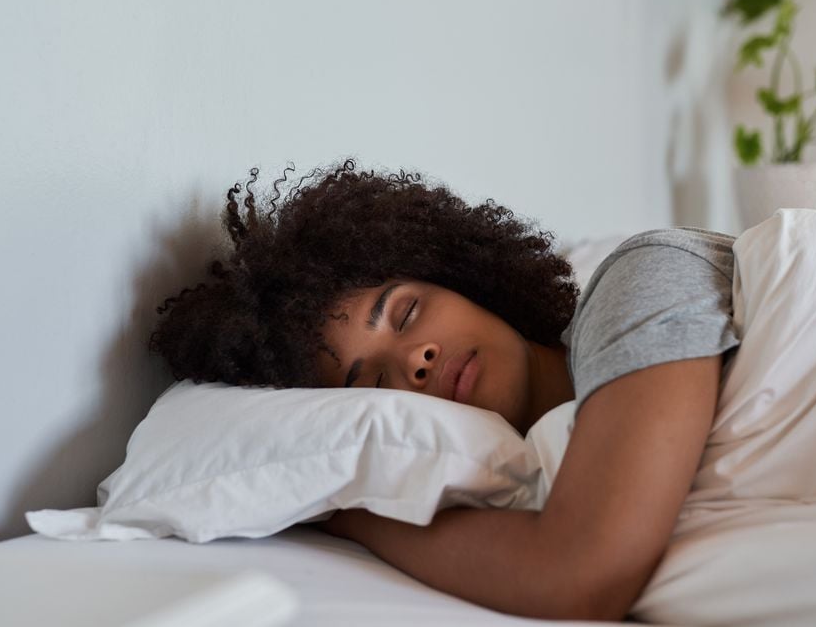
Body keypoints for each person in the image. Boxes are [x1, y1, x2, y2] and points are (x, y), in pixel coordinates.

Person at [149, 158, 740, 621]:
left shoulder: (637, 280)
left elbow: (582, 578)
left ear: (462, 277)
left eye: (405, 314)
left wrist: (351, 515)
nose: (416, 359)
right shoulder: (534, 457)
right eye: (377, 382)